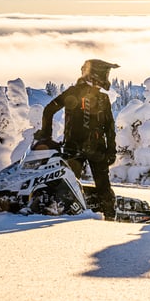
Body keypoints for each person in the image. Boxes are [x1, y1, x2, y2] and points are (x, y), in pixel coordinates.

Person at [38, 59, 119, 219]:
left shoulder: (102, 98)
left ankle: (109, 221)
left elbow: (109, 127)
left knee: (101, 189)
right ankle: (64, 217)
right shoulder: (75, 92)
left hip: (89, 149)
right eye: (105, 73)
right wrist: (46, 136)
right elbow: (48, 110)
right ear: (96, 73)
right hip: (78, 149)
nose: (107, 77)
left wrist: (111, 150)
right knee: (69, 187)